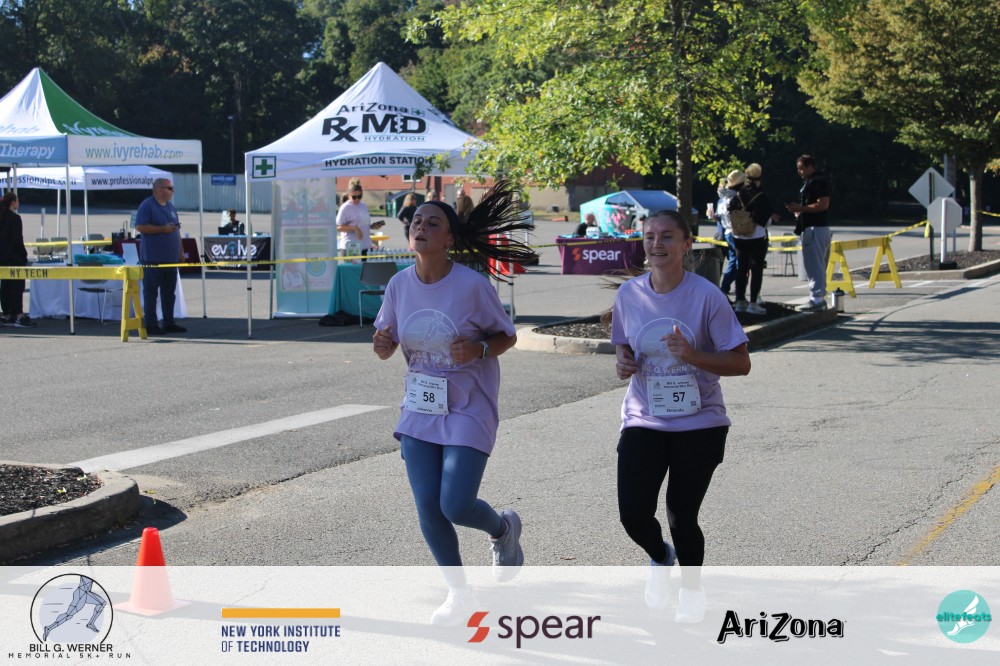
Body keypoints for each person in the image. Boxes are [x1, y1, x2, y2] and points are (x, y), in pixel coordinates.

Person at [371, 180, 538, 626]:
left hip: (468, 404)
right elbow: (387, 342)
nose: (421, 227)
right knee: (428, 506)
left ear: (449, 238)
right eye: (417, 221)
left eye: (433, 223)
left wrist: (479, 349)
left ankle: (503, 528)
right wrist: (383, 344)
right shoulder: (399, 285)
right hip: (420, 407)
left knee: (455, 504)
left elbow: (506, 336)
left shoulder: (471, 286)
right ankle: (459, 594)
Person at [611, 209, 750, 624]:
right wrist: (623, 362)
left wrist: (692, 355)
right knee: (633, 515)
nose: (657, 244)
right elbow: (623, 345)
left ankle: (691, 591)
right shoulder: (629, 295)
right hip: (644, 417)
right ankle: (660, 556)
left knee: (681, 514)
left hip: (700, 422)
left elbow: (741, 362)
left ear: (687, 244)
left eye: (668, 236)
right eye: (650, 236)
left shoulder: (707, 296)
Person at [135, 178, 186, 334]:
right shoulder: (147, 206)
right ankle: (151, 324)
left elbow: (176, 230)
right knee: (151, 293)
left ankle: (168, 322)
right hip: (152, 259)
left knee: (169, 293)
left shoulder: (171, 207)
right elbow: (140, 226)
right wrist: (162, 229)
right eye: (169, 188)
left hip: (170, 259)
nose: (172, 191)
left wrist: (180, 251)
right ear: (159, 190)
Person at [786, 154, 832, 312]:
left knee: (814, 266)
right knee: (818, 265)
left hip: (814, 229)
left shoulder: (817, 182)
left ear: (810, 167)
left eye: (802, 168)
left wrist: (801, 208)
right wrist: (800, 211)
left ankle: (816, 299)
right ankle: (819, 298)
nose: (799, 172)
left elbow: (823, 204)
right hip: (817, 228)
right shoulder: (815, 181)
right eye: (798, 169)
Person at [728, 164, 774, 315]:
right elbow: (766, 221)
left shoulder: (736, 196)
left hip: (738, 237)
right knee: (756, 269)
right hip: (757, 236)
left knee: (741, 269)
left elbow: (730, 216)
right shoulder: (761, 197)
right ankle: (753, 303)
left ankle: (740, 301)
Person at [0, 192, 35, 328]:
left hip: (2, 258)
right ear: (13, 203)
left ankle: (7, 314)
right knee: (17, 286)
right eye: (17, 200)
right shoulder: (15, 218)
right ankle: (18, 314)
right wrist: (24, 255)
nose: (18, 203)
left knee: (5, 286)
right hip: (14, 258)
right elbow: (17, 240)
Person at [714, 178, 739, 297]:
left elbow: (721, 217)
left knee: (733, 260)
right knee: (737, 261)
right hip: (733, 232)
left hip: (727, 232)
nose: (719, 188)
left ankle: (725, 286)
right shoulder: (733, 198)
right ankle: (726, 286)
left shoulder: (722, 200)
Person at [337, 178, 371, 258]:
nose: (357, 199)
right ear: (349, 195)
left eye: (359, 196)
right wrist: (354, 228)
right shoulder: (345, 208)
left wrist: (373, 226)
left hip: (365, 246)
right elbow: (338, 227)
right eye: (354, 197)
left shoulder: (363, 205)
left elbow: (362, 224)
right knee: (352, 266)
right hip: (351, 247)